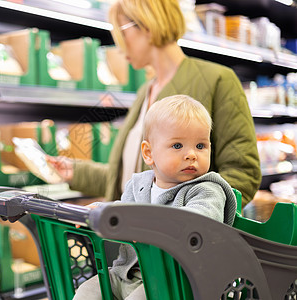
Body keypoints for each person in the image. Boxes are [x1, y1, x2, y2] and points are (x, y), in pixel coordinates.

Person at [47, 0, 261, 206]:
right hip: (133, 236)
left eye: (122, 32)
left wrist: (187, 218)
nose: (119, 47)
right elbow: (136, 178)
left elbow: (243, 175)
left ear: (146, 24)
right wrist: (75, 171)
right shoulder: (145, 91)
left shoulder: (218, 80)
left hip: (177, 239)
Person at [72, 94, 238, 300]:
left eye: (201, 146)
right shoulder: (138, 185)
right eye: (177, 146)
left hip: (177, 282)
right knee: (88, 290)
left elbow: (199, 222)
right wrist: (100, 210)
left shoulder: (207, 190)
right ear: (149, 153)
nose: (192, 154)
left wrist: (144, 225)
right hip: (126, 274)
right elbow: (122, 211)